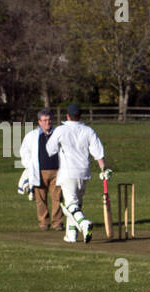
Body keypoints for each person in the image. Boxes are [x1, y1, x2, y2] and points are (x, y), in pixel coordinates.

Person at [46, 104, 108, 243]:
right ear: (80, 116)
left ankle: (84, 223)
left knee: (67, 204)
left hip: (68, 172)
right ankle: (71, 235)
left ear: (67, 116)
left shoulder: (61, 130)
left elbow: (50, 149)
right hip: (84, 172)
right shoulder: (88, 131)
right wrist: (103, 169)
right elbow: (98, 151)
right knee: (76, 205)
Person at [15, 109, 63, 230]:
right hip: (39, 172)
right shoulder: (31, 136)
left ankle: (57, 223)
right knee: (40, 199)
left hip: (57, 171)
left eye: (49, 120)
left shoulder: (58, 133)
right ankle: (44, 223)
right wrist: (29, 166)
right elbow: (24, 152)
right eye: (45, 120)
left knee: (57, 198)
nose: (48, 122)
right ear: (39, 122)